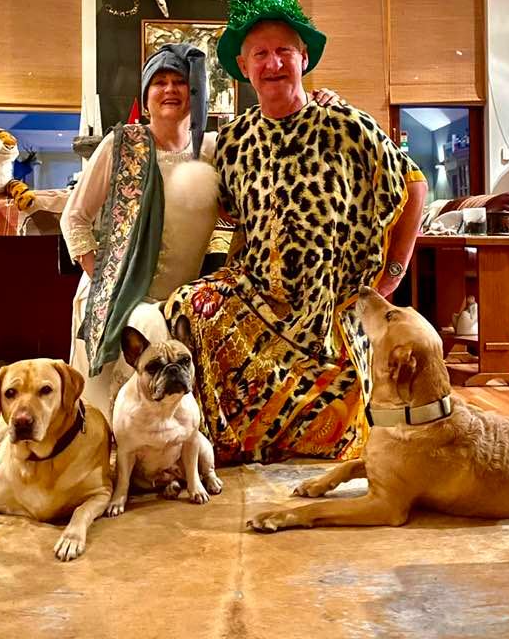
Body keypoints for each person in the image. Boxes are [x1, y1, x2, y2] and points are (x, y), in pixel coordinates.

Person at [166, 0, 428, 465]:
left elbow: (413, 185)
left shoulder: (347, 124)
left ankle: (279, 439)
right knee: (185, 307)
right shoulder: (235, 139)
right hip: (259, 296)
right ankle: (216, 441)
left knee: (342, 424)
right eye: (260, 54)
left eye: (284, 51)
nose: (273, 64)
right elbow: (226, 214)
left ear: (303, 58)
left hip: (330, 307)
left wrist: (394, 271)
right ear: (243, 66)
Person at [61, 40, 341, 418]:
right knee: (103, 418)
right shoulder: (121, 145)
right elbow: (74, 218)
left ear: (197, 94)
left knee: (174, 415)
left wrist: (318, 107)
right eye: (159, 82)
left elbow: (277, 143)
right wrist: (105, 281)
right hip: (118, 301)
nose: (170, 89)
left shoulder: (217, 148)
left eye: (180, 81)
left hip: (186, 307)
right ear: (146, 96)